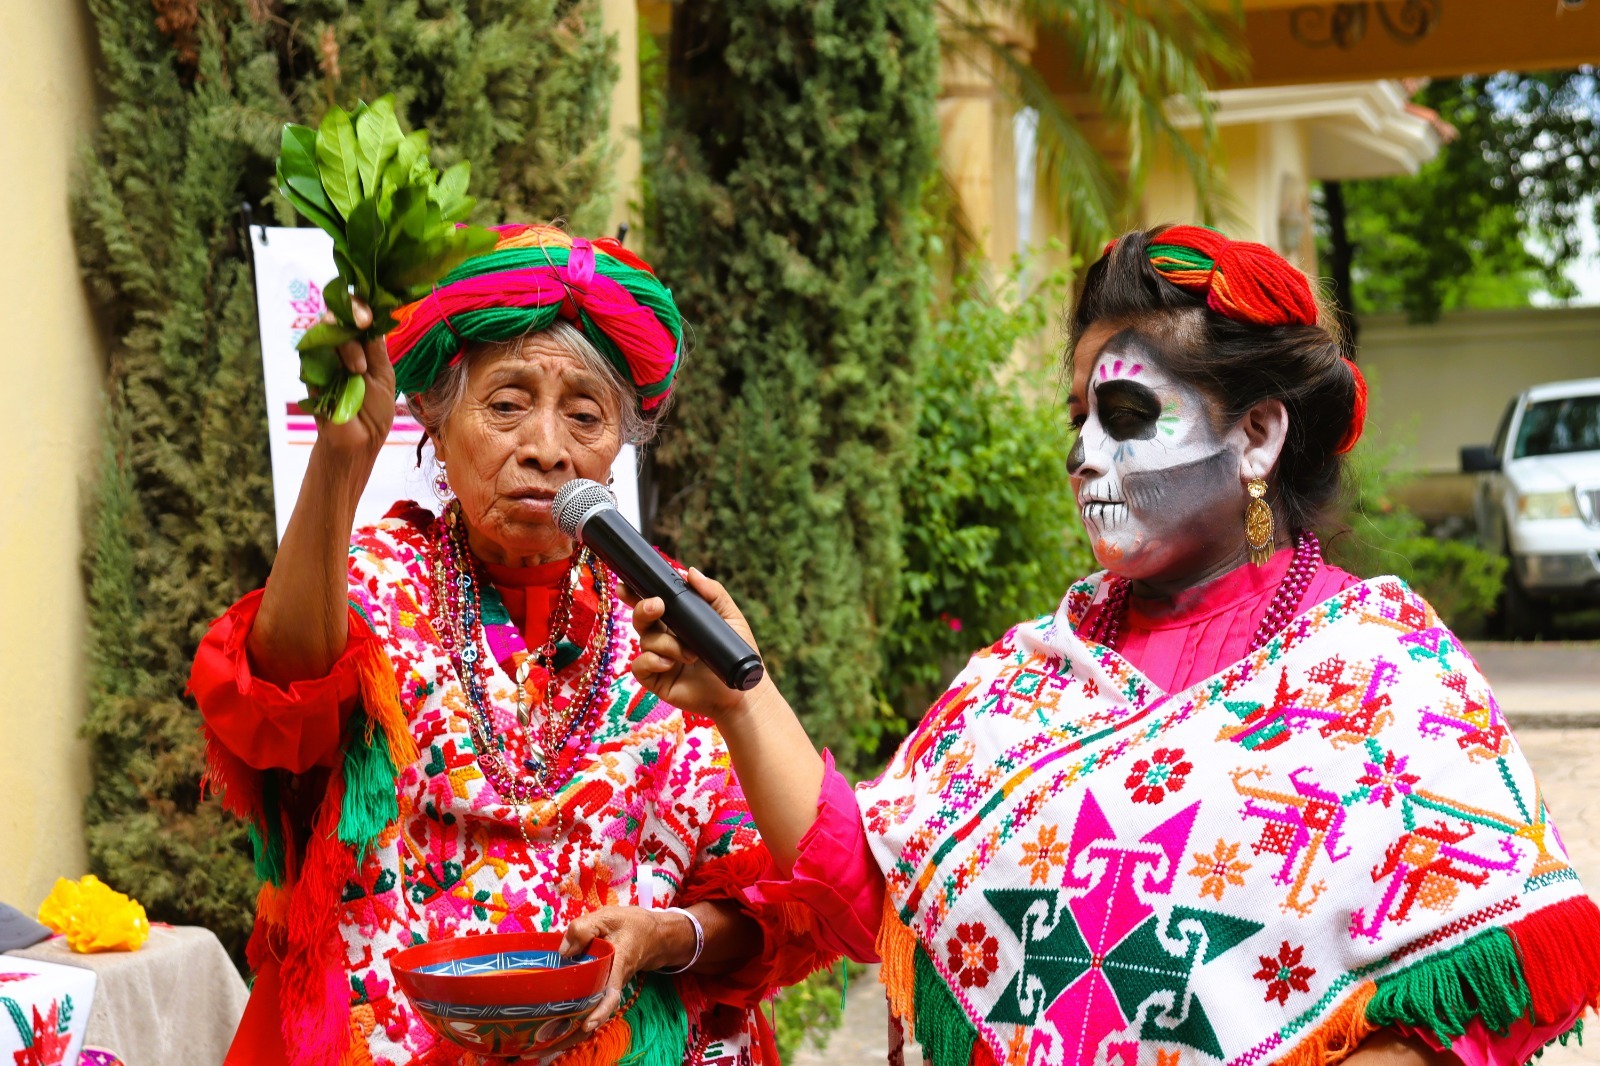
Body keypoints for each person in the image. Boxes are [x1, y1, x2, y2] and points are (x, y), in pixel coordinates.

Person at [628, 226, 1600, 1065]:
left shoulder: (1384, 671)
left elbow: (1492, 975)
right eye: (1078, 418)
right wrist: (742, 701)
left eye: (1127, 416)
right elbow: (869, 895)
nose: (1084, 452)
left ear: (1258, 434)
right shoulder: (1021, 679)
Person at [191, 224, 829, 1066]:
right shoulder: (375, 583)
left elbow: (775, 899)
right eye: (506, 404)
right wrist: (339, 469)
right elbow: (273, 711)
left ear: (619, 447)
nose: (546, 448)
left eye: (585, 416)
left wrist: (664, 936)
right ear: (436, 420)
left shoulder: (668, 619)